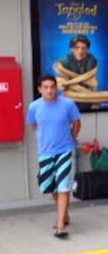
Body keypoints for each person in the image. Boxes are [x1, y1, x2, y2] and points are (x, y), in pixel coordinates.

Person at [27, 74, 81, 238]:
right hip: (45, 152)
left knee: (63, 186)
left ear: (56, 87)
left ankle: (60, 226)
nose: (50, 90)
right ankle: (64, 215)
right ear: (40, 89)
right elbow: (33, 125)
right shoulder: (34, 107)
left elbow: (77, 123)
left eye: (52, 87)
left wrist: (71, 138)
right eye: (46, 87)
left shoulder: (68, 104)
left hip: (65, 150)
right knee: (51, 186)